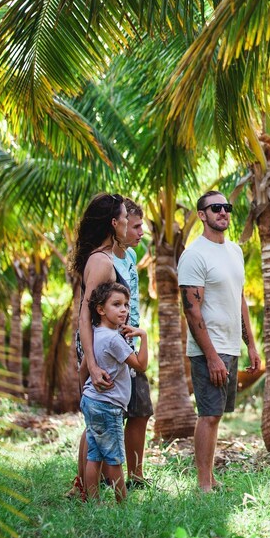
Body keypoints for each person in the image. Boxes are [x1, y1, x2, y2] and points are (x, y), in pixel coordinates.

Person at [178, 191, 262, 493]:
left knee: (217, 416)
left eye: (226, 208)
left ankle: (210, 478)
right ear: (202, 215)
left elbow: (239, 299)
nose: (223, 212)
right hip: (208, 350)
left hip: (230, 346)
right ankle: (203, 484)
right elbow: (191, 310)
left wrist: (250, 344)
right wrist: (211, 355)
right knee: (209, 414)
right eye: (216, 208)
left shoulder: (235, 251)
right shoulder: (194, 255)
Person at [66, 192, 129, 500]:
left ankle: (83, 487)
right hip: (98, 350)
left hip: (101, 347)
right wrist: (90, 363)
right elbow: (84, 316)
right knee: (98, 422)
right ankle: (85, 488)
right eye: (125, 218)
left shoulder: (102, 257)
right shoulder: (102, 262)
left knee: (95, 422)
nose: (129, 222)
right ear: (113, 223)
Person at [80, 281, 148, 502]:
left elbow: (83, 368)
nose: (124, 310)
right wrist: (143, 336)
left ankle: (94, 502)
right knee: (115, 459)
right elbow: (140, 364)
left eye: (126, 305)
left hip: (91, 400)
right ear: (100, 310)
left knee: (94, 456)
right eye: (116, 305)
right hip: (108, 405)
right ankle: (123, 506)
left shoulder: (95, 334)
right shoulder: (114, 340)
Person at [114, 199, 151, 487]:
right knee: (105, 416)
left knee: (140, 410)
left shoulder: (130, 257)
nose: (141, 231)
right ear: (120, 224)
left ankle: (136, 477)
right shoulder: (101, 258)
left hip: (131, 343)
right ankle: (89, 479)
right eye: (135, 225)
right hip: (109, 346)